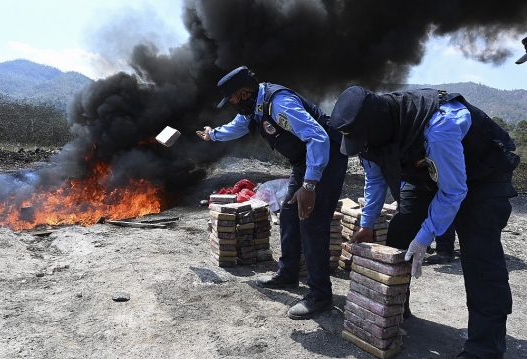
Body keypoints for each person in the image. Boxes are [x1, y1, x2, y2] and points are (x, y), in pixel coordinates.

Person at [329, 86, 519, 359]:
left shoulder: (439, 126)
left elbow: (453, 191)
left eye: (365, 140)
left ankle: (485, 347)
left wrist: (426, 236)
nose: (364, 146)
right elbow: (375, 176)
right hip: (427, 175)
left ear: (379, 127)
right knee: (399, 233)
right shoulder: (373, 134)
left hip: (482, 176)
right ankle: (394, 309)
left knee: (480, 257)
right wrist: (368, 223)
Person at [197, 66, 348, 319]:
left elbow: (318, 138)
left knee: (311, 222)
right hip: (304, 161)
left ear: (244, 93)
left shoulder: (280, 104)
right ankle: (288, 273)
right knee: (289, 213)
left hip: (326, 157)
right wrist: (214, 135)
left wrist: (310, 185)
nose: (232, 104)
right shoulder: (254, 105)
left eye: (232, 99)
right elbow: (239, 126)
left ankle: (320, 294)